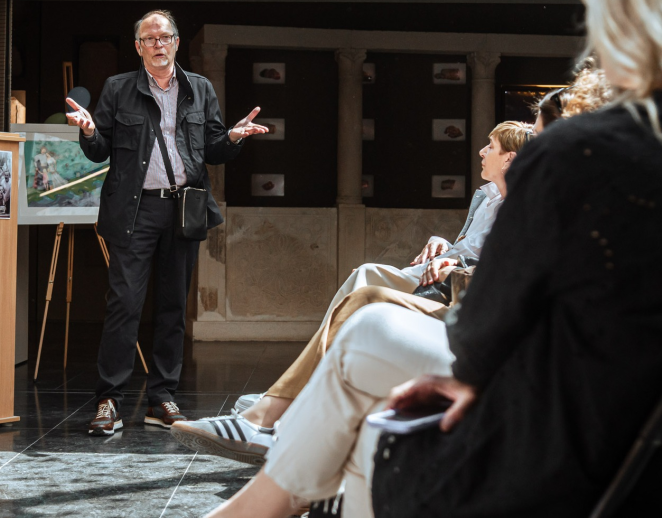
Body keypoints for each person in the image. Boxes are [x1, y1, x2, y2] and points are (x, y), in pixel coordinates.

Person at [203, 0, 662, 518]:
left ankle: (256, 506)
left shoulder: (581, 152)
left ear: (624, 12)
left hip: (574, 459)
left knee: (372, 364)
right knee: (374, 425)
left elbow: (480, 336)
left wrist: (475, 374)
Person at [172, 121, 535, 462]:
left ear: (510, 159)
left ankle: (284, 401)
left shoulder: (521, 208)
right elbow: (472, 245)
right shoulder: (486, 197)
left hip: (450, 293)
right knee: (364, 277)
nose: (481, 152)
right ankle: (287, 397)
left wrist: (458, 266)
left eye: (491, 146)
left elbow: (500, 267)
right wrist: (445, 244)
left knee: (364, 287)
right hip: (438, 276)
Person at [65, 9, 268, 437]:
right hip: (133, 212)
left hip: (182, 210)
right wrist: (87, 130)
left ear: (177, 43)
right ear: (139, 47)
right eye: (150, 38)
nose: (159, 44)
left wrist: (231, 137)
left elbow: (211, 148)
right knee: (125, 304)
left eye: (166, 37)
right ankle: (110, 401)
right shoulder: (118, 89)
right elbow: (99, 150)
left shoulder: (200, 89)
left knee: (173, 305)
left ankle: (162, 397)